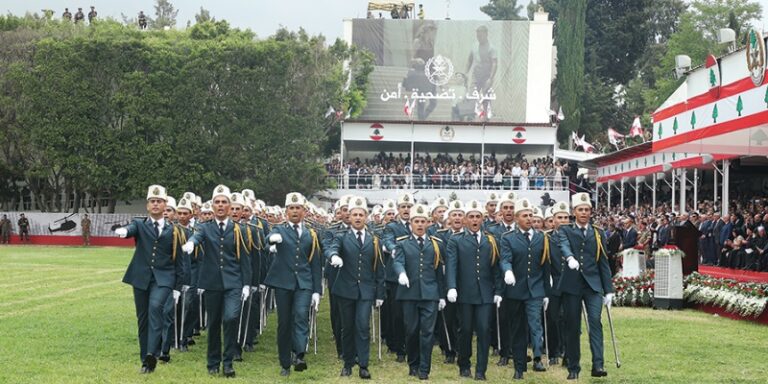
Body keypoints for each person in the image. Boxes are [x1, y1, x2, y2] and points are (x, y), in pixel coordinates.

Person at [181, 185, 252, 378]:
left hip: (233, 283)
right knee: (213, 324)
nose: (220, 205)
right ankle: (213, 362)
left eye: (224, 202)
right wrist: (191, 243)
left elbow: (245, 259)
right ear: (212, 206)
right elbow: (198, 236)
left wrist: (246, 284)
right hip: (212, 283)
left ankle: (228, 362)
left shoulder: (239, 229)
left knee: (230, 318)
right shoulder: (205, 227)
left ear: (229, 206)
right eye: (217, 202)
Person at [114, 185, 184, 374]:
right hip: (141, 278)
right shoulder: (139, 224)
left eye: (159, 201)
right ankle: (145, 359)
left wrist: (177, 287)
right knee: (143, 319)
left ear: (165, 205)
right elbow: (131, 229)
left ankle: (153, 353)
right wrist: (124, 231)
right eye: (152, 201)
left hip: (164, 279)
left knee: (155, 308)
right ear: (147, 205)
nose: (155, 204)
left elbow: (180, 261)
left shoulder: (174, 230)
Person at [263, 192, 322, 377]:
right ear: (286, 211)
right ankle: (285, 362)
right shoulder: (279, 229)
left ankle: (299, 354)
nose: (295, 211)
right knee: (284, 322)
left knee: (301, 316)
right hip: (283, 283)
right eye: (291, 208)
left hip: (304, 283)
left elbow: (315, 263)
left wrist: (317, 290)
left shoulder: (311, 234)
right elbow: (268, 239)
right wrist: (271, 241)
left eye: (298, 208)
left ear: (304, 211)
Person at [326, 197, 386, 379]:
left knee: (362, 326)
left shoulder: (374, 240)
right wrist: (333, 256)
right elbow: (332, 248)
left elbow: (379, 268)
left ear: (366, 217)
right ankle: (348, 362)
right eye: (355, 214)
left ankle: (363, 364)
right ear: (349, 217)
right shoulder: (342, 237)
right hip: (345, 290)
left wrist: (380, 293)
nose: (358, 218)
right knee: (347, 328)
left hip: (366, 291)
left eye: (361, 214)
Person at [556, 192, 614, 380]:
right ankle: (574, 367)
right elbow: (563, 245)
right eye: (580, 209)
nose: (583, 213)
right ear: (574, 211)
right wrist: (569, 257)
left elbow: (603, 262)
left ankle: (598, 364)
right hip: (572, 284)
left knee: (595, 321)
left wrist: (609, 290)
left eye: (587, 209)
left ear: (590, 211)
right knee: (573, 325)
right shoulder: (565, 230)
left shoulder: (598, 233)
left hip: (593, 285)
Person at [445, 199, 501, 380]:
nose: (475, 220)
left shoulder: (490, 240)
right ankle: (464, 364)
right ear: (465, 220)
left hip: (485, 293)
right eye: (471, 217)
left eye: (478, 216)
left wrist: (498, 291)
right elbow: (452, 265)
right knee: (466, 329)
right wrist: (452, 287)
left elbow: (496, 267)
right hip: (465, 293)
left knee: (484, 329)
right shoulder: (456, 240)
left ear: (482, 219)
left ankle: (481, 370)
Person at [499, 198, 550, 379]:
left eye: (531, 215)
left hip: (535, 290)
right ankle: (519, 367)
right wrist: (507, 271)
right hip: (515, 290)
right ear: (516, 218)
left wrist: (546, 292)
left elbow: (545, 265)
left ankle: (537, 357)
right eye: (525, 215)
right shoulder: (508, 238)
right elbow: (505, 258)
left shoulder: (541, 237)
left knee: (535, 324)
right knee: (518, 328)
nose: (529, 218)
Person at [393, 203, 446, 380]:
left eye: (423, 221)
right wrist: (401, 273)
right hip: (409, 294)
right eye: (416, 221)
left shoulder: (436, 244)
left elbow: (439, 272)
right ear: (411, 223)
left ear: (428, 223)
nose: (420, 224)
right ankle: (413, 364)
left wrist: (441, 296)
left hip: (430, 294)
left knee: (427, 332)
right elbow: (397, 261)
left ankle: (424, 369)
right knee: (411, 331)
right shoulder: (402, 243)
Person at [381, 193, 413, 363]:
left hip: (414, 276)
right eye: (403, 207)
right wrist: (396, 250)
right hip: (395, 277)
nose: (406, 209)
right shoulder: (392, 227)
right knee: (398, 314)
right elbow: (387, 241)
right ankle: (399, 347)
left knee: (412, 314)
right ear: (398, 209)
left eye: (409, 207)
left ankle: (412, 344)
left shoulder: (419, 223)